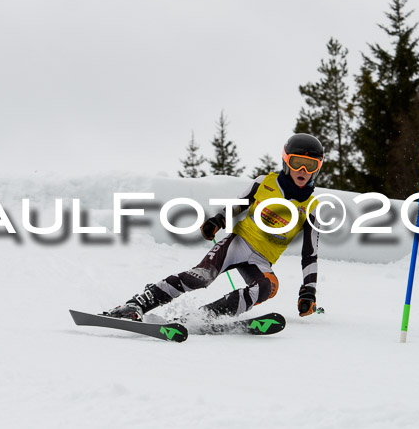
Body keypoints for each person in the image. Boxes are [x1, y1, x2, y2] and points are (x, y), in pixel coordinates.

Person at [106, 133, 324, 321]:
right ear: (286, 162)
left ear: (318, 168)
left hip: (261, 260)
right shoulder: (264, 182)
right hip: (238, 244)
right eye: (297, 162)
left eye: (311, 165)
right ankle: (137, 304)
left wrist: (308, 292)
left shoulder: (312, 207)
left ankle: (205, 317)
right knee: (201, 277)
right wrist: (218, 220)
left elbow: (310, 255)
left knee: (268, 288)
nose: (303, 170)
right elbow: (237, 205)